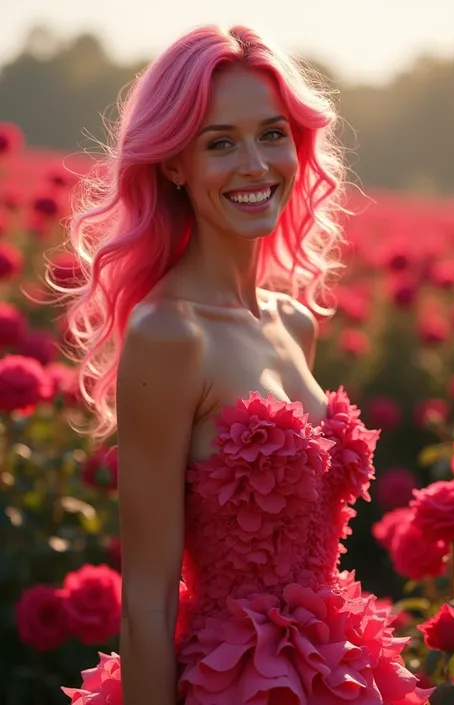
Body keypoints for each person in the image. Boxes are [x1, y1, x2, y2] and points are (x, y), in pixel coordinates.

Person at [57, 23, 433, 705]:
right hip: (233, 683)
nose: (256, 164)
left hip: (335, 671)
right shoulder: (170, 335)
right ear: (175, 164)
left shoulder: (293, 320)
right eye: (220, 143)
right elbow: (145, 601)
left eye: (272, 133)